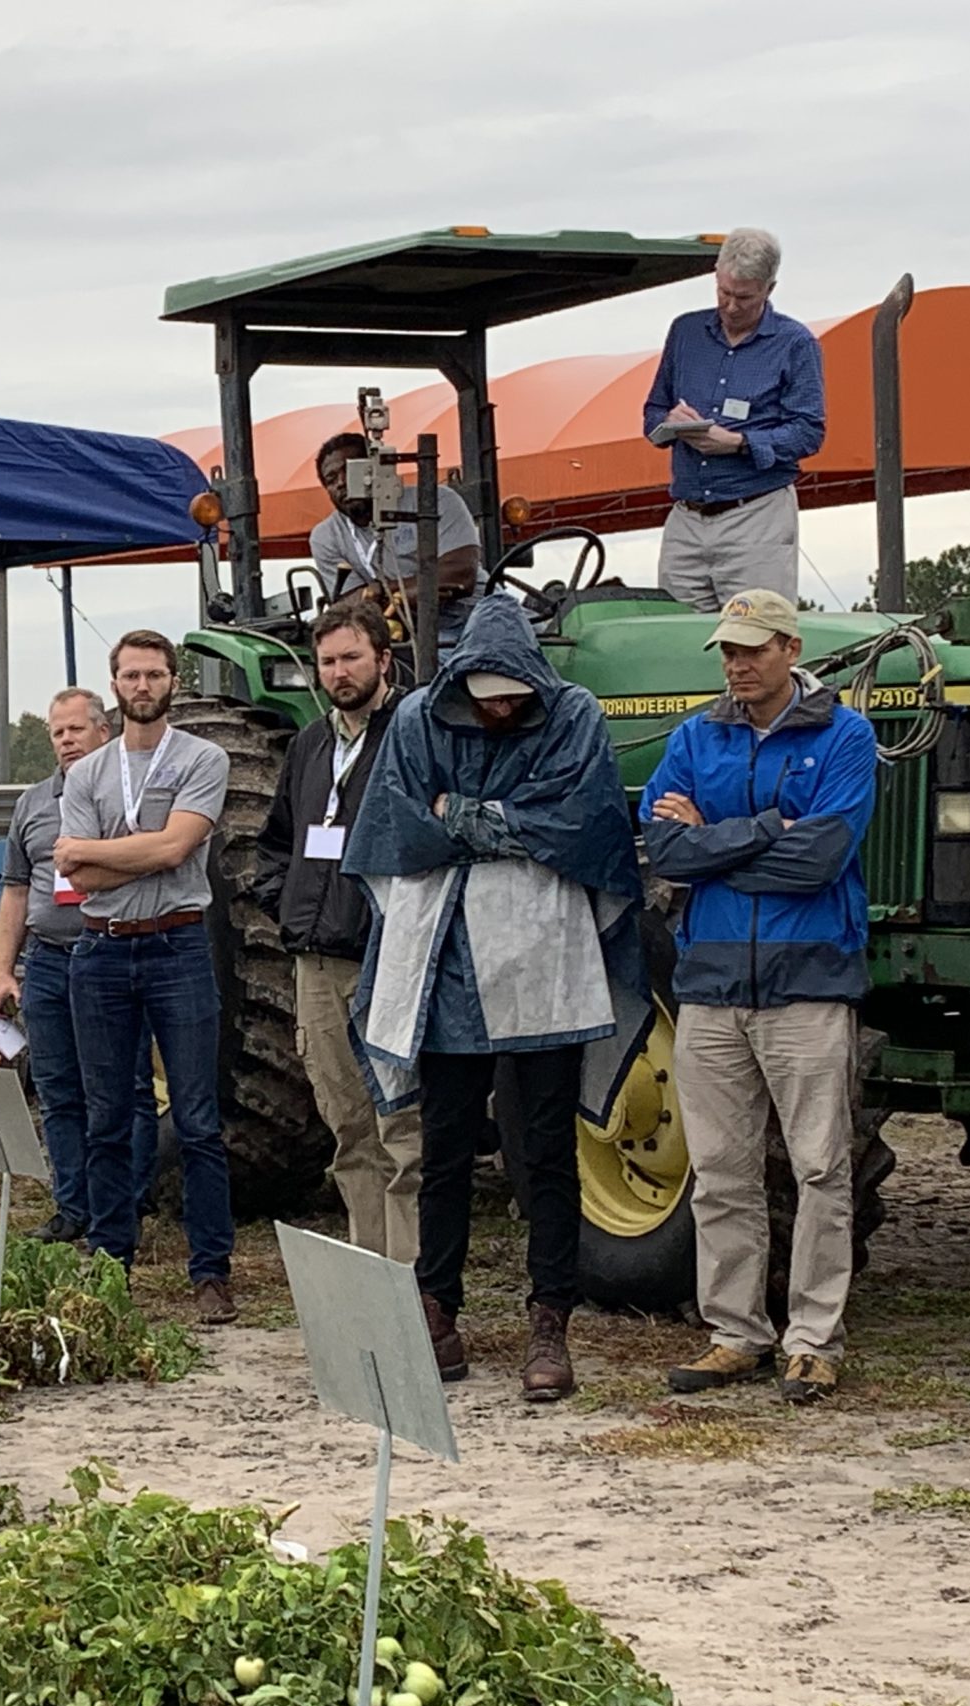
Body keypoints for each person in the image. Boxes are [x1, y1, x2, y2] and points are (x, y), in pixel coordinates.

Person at [346, 599, 645, 1397]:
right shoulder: (417, 718)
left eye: (512, 694)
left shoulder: (573, 713)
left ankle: (550, 1318)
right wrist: (514, 824)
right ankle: (437, 1309)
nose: (500, 707)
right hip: (443, 961)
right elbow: (402, 827)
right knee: (443, 1147)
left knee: (544, 1152)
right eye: (485, 694)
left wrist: (464, 816)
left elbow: (582, 823)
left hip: (541, 953)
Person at [641, 589, 877, 1404]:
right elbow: (665, 850)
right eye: (728, 651)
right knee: (721, 1171)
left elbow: (821, 859)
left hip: (807, 984)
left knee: (819, 1167)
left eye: (752, 648)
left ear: (790, 646)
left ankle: (813, 1338)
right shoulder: (694, 736)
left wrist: (715, 840)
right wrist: (770, 825)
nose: (737, 664)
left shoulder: (846, 736)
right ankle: (736, 1332)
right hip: (709, 984)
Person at [57, 630, 236, 1322]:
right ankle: (111, 1262)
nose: (142, 686)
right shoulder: (87, 774)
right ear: (115, 684)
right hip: (102, 951)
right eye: (130, 675)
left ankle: (211, 1270)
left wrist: (114, 854)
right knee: (105, 1116)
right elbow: (75, 871)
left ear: (173, 682)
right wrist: (144, 853)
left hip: (177, 947)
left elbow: (176, 847)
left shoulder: (204, 758)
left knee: (197, 1120)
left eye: (154, 674)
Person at [251, 601, 423, 1263]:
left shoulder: (409, 733)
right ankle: (374, 1272)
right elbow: (276, 843)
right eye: (327, 661)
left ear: (383, 659)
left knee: (402, 1129)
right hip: (314, 964)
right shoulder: (310, 743)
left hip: (385, 961)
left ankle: (415, 1284)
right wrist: (287, 906)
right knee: (349, 1127)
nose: (339, 672)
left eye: (352, 657)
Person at [0, 689, 157, 1246]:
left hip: (110, 958)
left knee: (122, 1089)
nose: (65, 741)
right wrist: (4, 970)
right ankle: (72, 1207)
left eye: (75, 730)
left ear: (102, 732)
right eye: (57, 733)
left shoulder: (127, 798)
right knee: (59, 1090)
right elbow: (14, 892)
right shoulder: (33, 804)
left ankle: (125, 1207)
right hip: (48, 964)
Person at [640, 228, 826, 611]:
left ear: (769, 289)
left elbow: (809, 431)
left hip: (756, 514)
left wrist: (740, 443)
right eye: (724, 292)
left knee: (755, 635)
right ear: (715, 276)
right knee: (675, 639)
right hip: (687, 516)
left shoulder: (796, 344)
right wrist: (671, 422)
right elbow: (651, 413)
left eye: (744, 297)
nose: (731, 306)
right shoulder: (685, 332)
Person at [309, 431, 481, 644]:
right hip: (411, 638)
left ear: (376, 468)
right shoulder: (326, 536)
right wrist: (405, 592)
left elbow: (460, 574)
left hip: (477, 618)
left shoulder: (437, 500)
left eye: (350, 470)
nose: (342, 483)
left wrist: (380, 590)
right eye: (331, 479)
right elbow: (349, 604)